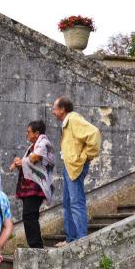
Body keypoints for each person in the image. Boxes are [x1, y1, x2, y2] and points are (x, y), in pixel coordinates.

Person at [51, 96, 101, 246]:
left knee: (76, 202)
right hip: (70, 166)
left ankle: (81, 239)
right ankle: (71, 238)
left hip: (75, 165)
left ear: (62, 109)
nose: (53, 111)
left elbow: (94, 133)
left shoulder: (73, 119)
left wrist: (86, 156)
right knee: (67, 203)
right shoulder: (68, 122)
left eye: (55, 108)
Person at [8, 120, 55, 249]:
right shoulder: (33, 146)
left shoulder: (43, 143)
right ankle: (35, 245)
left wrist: (21, 162)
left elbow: (35, 158)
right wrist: (20, 163)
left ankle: (36, 246)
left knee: (29, 215)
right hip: (30, 187)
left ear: (37, 133)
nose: (26, 134)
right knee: (29, 215)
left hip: (36, 186)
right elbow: (29, 163)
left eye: (28, 132)